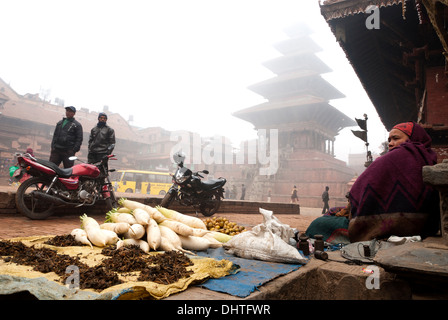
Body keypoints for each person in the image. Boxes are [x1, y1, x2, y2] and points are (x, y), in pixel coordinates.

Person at [348, 121, 440, 242]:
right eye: (389, 140)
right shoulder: (429, 157)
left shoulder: (403, 153)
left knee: (321, 224)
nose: (391, 144)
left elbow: (358, 189)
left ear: (413, 139)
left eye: (396, 138)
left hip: (378, 228)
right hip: (426, 228)